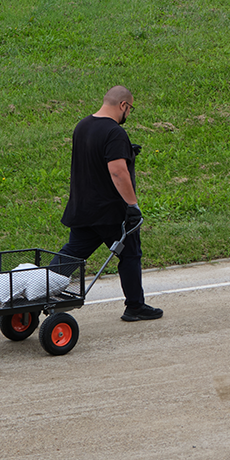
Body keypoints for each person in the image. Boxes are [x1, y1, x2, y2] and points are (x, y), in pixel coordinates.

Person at [55, 85, 162, 321]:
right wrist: (132, 206)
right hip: (111, 213)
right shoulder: (114, 132)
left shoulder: (82, 126)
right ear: (123, 105)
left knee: (72, 253)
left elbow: (93, 160)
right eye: (130, 109)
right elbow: (117, 172)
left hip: (83, 208)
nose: (129, 114)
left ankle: (37, 290)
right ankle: (135, 306)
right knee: (130, 254)